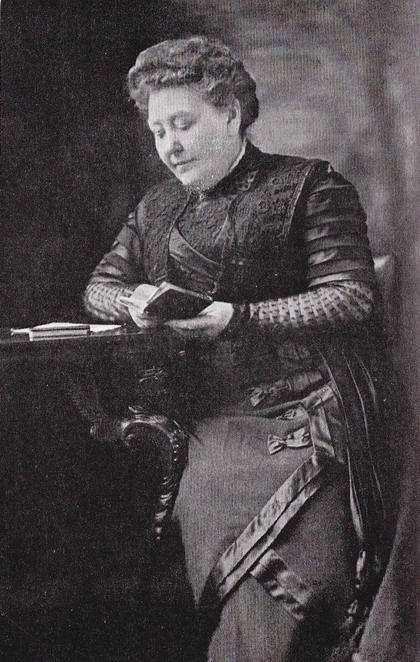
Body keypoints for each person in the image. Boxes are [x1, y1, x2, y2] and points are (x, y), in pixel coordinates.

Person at [84, 37, 387, 662]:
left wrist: (237, 317)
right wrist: (132, 299)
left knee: (297, 597)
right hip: (212, 423)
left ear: (230, 113)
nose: (169, 145)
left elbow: (350, 296)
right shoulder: (157, 207)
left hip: (307, 419)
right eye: (158, 130)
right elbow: (98, 288)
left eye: (183, 124)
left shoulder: (310, 185)